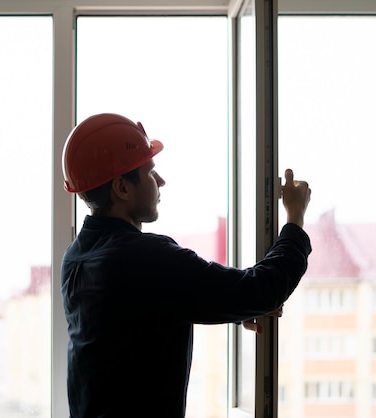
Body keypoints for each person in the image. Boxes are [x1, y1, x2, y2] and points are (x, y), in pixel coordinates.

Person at [60, 113, 312, 418]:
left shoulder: (76, 257)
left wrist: (230, 308)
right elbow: (261, 290)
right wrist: (295, 218)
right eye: (150, 172)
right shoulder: (146, 258)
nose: (161, 181)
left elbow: (134, 318)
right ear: (121, 188)